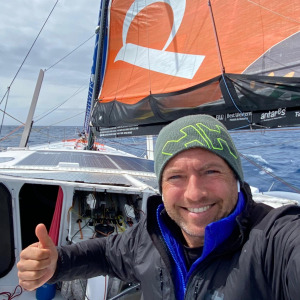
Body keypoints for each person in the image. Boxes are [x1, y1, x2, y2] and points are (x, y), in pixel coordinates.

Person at [17, 114, 300, 300]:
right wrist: (57, 263)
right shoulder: (150, 237)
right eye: (176, 176)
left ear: (235, 178)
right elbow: (105, 253)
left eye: (211, 172)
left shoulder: (273, 240)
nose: (194, 193)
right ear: (161, 189)